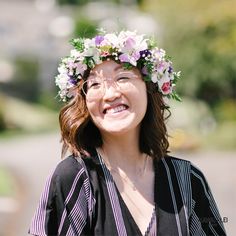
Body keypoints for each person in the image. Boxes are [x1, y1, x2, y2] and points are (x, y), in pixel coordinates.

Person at [29, 30, 226, 236]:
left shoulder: (186, 180)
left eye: (122, 77)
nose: (111, 93)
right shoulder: (75, 179)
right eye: (95, 84)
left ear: (149, 89)